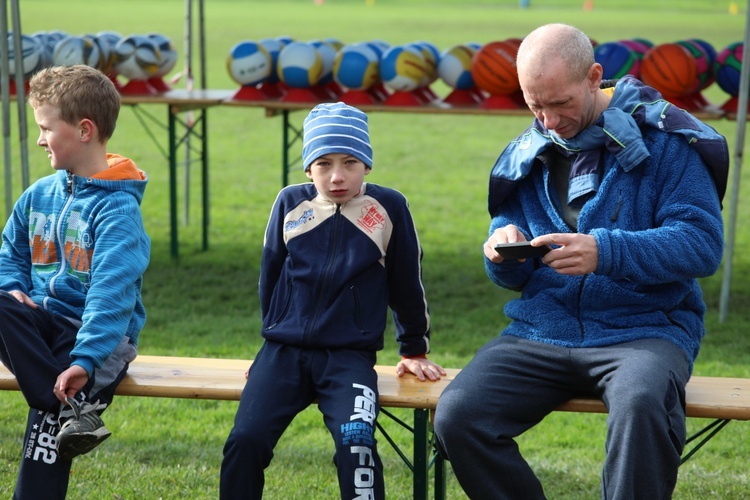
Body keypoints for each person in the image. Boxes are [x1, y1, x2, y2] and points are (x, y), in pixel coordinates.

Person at [433, 23, 727, 499]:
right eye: (534, 105)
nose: (548, 121)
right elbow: (511, 269)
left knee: (641, 402)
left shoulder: (669, 141)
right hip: (540, 330)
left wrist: (606, 251)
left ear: (594, 77)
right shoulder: (528, 153)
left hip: (645, 332)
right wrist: (501, 251)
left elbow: (701, 244)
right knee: (458, 415)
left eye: (560, 103)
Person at [220, 102, 446, 499]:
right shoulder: (291, 203)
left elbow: (407, 281)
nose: (337, 176)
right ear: (308, 169)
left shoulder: (389, 207)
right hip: (283, 354)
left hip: (349, 358)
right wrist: (270, 339)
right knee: (245, 441)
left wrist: (414, 348)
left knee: (356, 448)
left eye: (350, 163)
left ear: (367, 166)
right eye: (323, 164)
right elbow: (270, 276)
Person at [0, 65, 151, 498]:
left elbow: (111, 295)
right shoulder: (38, 195)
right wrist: (15, 292)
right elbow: (10, 255)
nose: (39, 138)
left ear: (84, 130)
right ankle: (69, 409)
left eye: (46, 127)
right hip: (42, 328)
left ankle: (64, 404)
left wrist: (84, 361)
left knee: (42, 449)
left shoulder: (118, 212)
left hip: (95, 339)